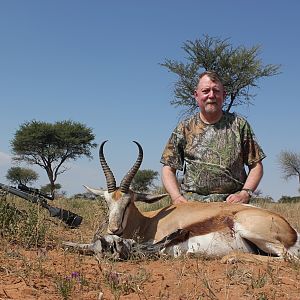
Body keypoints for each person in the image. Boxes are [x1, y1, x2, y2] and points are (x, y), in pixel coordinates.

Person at [160, 71, 266, 205]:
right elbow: (168, 168)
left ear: (224, 95)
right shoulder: (184, 127)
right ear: (196, 95)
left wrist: (245, 193)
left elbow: (256, 165)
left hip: (232, 203)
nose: (211, 95)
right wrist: (176, 197)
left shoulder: (239, 124)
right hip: (192, 204)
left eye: (216, 91)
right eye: (206, 91)